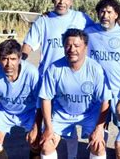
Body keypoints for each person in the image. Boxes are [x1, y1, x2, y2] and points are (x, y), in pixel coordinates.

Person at [38, 29, 111, 159]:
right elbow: (46, 99)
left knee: (98, 146)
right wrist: (48, 127)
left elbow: (105, 101)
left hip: (89, 114)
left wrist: (99, 129)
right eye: (68, 45)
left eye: (77, 46)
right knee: (46, 145)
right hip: (62, 113)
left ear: (86, 48)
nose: (72, 49)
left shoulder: (96, 69)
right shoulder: (54, 69)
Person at [0, 39, 41, 159]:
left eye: (13, 59)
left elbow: (41, 102)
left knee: (36, 142)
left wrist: (36, 128)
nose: (9, 64)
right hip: (5, 111)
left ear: (20, 58)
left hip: (29, 111)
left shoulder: (32, 73)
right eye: (4, 59)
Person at [22, 0, 94, 76]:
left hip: (75, 76)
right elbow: (28, 46)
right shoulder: (43, 21)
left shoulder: (81, 18)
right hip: (48, 77)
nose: (61, 2)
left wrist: (118, 21)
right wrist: (18, 63)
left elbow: (98, 32)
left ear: (71, 1)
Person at [85, 0, 120, 128]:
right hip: (97, 90)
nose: (105, 15)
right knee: (100, 126)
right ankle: (100, 148)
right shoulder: (89, 32)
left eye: (109, 12)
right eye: (102, 12)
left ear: (116, 15)